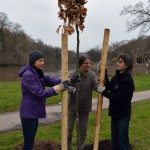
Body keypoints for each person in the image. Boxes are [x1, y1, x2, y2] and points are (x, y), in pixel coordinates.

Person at [19, 50, 70, 150]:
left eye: (43, 60)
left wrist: (67, 80)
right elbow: (39, 93)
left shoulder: (38, 73)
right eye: (40, 60)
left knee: (30, 141)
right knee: (28, 142)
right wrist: (57, 88)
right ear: (33, 62)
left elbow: (50, 80)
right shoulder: (28, 75)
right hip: (28, 113)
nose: (43, 63)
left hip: (33, 112)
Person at [97, 54, 135, 150]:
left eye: (120, 61)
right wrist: (104, 72)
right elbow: (109, 86)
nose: (117, 63)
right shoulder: (117, 76)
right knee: (115, 140)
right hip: (115, 114)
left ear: (126, 65)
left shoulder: (128, 81)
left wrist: (103, 91)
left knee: (123, 142)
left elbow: (116, 98)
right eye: (118, 61)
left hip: (123, 115)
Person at [67, 55, 98, 150]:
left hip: (85, 107)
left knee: (83, 130)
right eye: (86, 63)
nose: (88, 65)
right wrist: (72, 89)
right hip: (72, 106)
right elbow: (65, 85)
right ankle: (67, 147)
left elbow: (96, 86)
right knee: (69, 129)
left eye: (89, 63)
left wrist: (101, 89)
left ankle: (80, 148)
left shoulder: (92, 75)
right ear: (80, 64)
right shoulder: (74, 74)